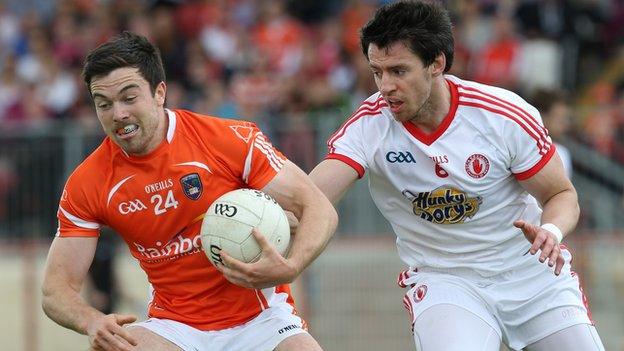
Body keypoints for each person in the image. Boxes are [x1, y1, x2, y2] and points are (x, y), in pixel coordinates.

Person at [308, 1, 605, 350]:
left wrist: (551, 232)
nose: (385, 86)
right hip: (445, 281)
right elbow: (313, 195)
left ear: (437, 63)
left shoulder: (503, 116)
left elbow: (561, 195)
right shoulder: (369, 125)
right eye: (377, 72)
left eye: (399, 71)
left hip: (532, 274)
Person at [41, 31, 337, 351]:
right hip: (174, 326)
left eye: (129, 98)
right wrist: (92, 321)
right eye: (104, 104)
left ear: (159, 92)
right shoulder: (88, 183)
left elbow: (318, 207)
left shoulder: (228, 139)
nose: (118, 114)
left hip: (262, 319)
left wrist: (291, 265)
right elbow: (55, 290)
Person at [530, 88, 573, 179]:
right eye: (560, 118)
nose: (565, 124)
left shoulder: (562, 153)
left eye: (566, 119)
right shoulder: (521, 146)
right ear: (541, 115)